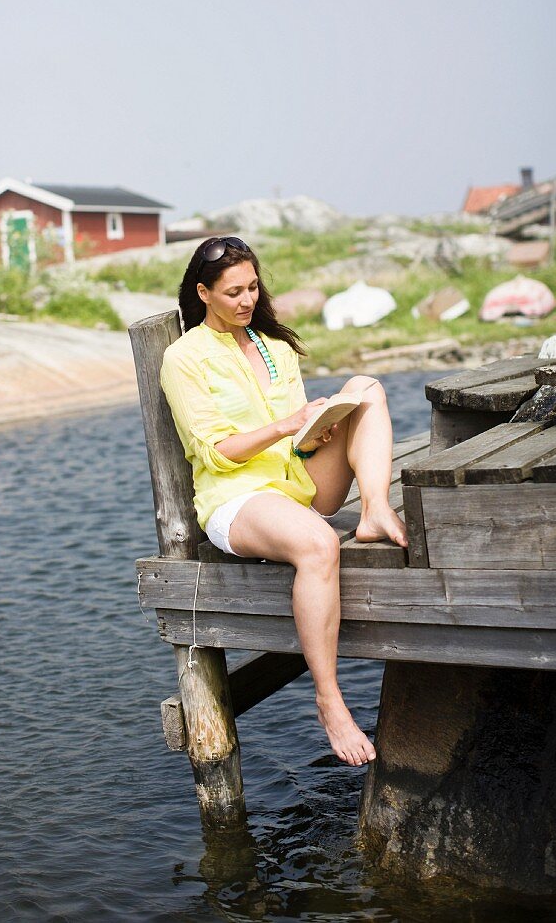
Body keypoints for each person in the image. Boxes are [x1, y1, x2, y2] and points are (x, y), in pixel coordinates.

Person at [160, 236, 407, 767]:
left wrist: (313, 432)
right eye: (232, 292)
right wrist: (285, 426)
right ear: (203, 293)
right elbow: (218, 452)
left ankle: (374, 510)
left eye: (253, 287)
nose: (247, 300)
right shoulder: (184, 359)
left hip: (297, 485)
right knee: (319, 544)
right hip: (237, 500)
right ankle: (330, 701)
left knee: (365, 387)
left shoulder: (276, 346)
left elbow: (297, 438)